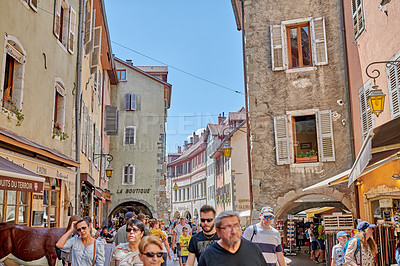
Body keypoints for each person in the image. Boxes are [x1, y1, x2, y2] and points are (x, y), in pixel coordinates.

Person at [198, 211, 267, 266]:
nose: (233, 231)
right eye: (228, 227)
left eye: (236, 226)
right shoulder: (208, 256)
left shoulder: (253, 249)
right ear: (218, 232)